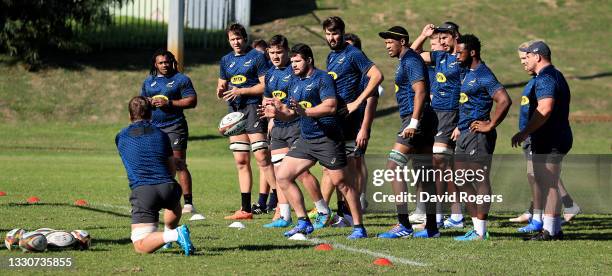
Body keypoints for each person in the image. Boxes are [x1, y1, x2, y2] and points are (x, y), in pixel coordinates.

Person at [260, 43, 367, 239]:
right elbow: (292, 114)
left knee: (342, 184)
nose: (294, 65)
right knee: (283, 176)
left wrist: (305, 111)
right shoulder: (295, 81)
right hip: (306, 140)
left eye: (297, 61)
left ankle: (359, 227)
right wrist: (277, 112)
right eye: (292, 62)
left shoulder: (322, 78)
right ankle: (303, 222)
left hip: (328, 139)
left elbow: (331, 106)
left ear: (309, 60)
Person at [319, 16, 383, 227]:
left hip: (351, 123)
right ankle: (340, 214)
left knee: (345, 172)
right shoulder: (332, 56)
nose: (332, 37)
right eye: (328, 34)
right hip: (335, 123)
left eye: (335, 33)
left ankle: (349, 218)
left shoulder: (353, 53)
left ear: (343, 32)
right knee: (335, 171)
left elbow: (377, 76)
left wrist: (357, 102)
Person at [377, 26, 439, 239]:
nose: (387, 47)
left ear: (401, 41)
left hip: (417, 120)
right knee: (424, 174)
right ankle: (432, 228)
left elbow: (420, 91)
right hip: (421, 119)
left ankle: (404, 224)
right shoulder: (408, 58)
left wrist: (413, 122)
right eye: (385, 43)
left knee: (393, 166)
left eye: (390, 42)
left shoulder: (411, 60)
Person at [511, 41, 580, 228]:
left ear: (537, 56)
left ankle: (551, 230)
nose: (524, 61)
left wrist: (525, 132)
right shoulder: (555, 75)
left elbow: (545, 108)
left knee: (549, 184)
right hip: (556, 136)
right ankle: (550, 228)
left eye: (528, 57)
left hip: (551, 138)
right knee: (547, 183)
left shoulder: (545, 77)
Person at [261, 35, 328, 228]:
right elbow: (268, 99)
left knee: (300, 172)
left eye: (279, 52)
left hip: (296, 125)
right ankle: (284, 215)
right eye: (271, 52)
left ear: (287, 52)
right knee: (278, 171)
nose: (275, 56)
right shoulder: (270, 74)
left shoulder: (295, 72)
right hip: (278, 128)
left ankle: (322, 209)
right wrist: (270, 121)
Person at [116, 96, 194, 255]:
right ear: (151, 114)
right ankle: (169, 233)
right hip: (169, 188)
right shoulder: (162, 135)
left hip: (144, 191)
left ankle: (174, 235)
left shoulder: (121, 136)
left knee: (139, 245)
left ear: (130, 115)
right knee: (172, 203)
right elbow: (172, 167)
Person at [452, 34, 512, 241]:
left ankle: (481, 230)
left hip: (478, 135)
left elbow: (504, 100)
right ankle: (477, 229)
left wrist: (491, 124)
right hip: (465, 133)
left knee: (479, 178)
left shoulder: (484, 74)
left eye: (460, 52)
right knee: (460, 180)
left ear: (473, 52)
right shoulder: (466, 71)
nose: (456, 55)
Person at [217, 23, 275, 220]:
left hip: (253, 109)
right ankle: (245, 209)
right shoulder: (226, 60)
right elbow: (222, 84)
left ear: (245, 38)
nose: (236, 42)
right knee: (241, 161)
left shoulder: (257, 57)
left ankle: (280, 204)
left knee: (262, 158)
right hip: (235, 112)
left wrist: (241, 91)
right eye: (232, 39)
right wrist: (220, 90)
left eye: (239, 38)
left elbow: (265, 86)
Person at [411, 22, 465, 229]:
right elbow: (413, 54)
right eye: (439, 37)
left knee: (440, 163)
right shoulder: (440, 57)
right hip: (435, 114)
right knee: (443, 168)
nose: (441, 41)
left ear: (455, 37)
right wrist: (423, 35)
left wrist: (461, 123)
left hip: (451, 115)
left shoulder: (462, 59)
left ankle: (444, 216)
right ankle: (450, 215)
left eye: (445, 37)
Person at [140, 49, 203, 221]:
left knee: (178, 163)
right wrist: (147, 103)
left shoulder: (181, 79)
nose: (164, 65)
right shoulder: (149, 82)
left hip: (175, 126)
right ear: (155, 64)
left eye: (167, 62)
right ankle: (158, 200)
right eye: (161, 63)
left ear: (172, 62)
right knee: (156, 164)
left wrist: (170, 102)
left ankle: (188, 203)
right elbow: (141, 102)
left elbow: (192, 101)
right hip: (153, 128)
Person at [344, 32, 380, 216]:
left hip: (359, 123)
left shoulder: (366, 73)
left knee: (357, 161)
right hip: (344, 123)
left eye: (350, 47)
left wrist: (365, 128)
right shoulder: (342, 67)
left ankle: (360, 197)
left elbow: (372, 102)